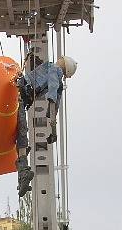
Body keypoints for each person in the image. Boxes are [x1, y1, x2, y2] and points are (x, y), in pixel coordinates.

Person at [15, 54, 78, 196]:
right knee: (21, 134)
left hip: (20, 93)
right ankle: (23, 173)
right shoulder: (58, 81)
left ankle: (23, 173)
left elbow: (52, 98)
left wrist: (53, 126)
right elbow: (54, 108)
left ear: (63, 64)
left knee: (22, 133)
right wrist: (53, 130)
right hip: (23, 98)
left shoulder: (53, 69)